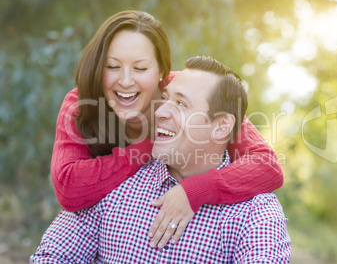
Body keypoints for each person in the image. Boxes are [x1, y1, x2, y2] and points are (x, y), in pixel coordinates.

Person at [50, 10, 284, 247]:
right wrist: (152, 144)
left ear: (161, 71)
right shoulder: (81, 103)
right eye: (112, 66)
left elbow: (266, 165)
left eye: (140, 68)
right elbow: (69, 187)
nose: (126, 81)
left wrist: (195, 190)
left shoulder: (192, 93)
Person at [31, 55, 291, 263]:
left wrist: (196, 190)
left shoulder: (256, 214)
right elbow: (52, 256)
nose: (160, 111)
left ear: (221, 126)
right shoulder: (115, 184)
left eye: (181, 104)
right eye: (164, 99)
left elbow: (267, 165)